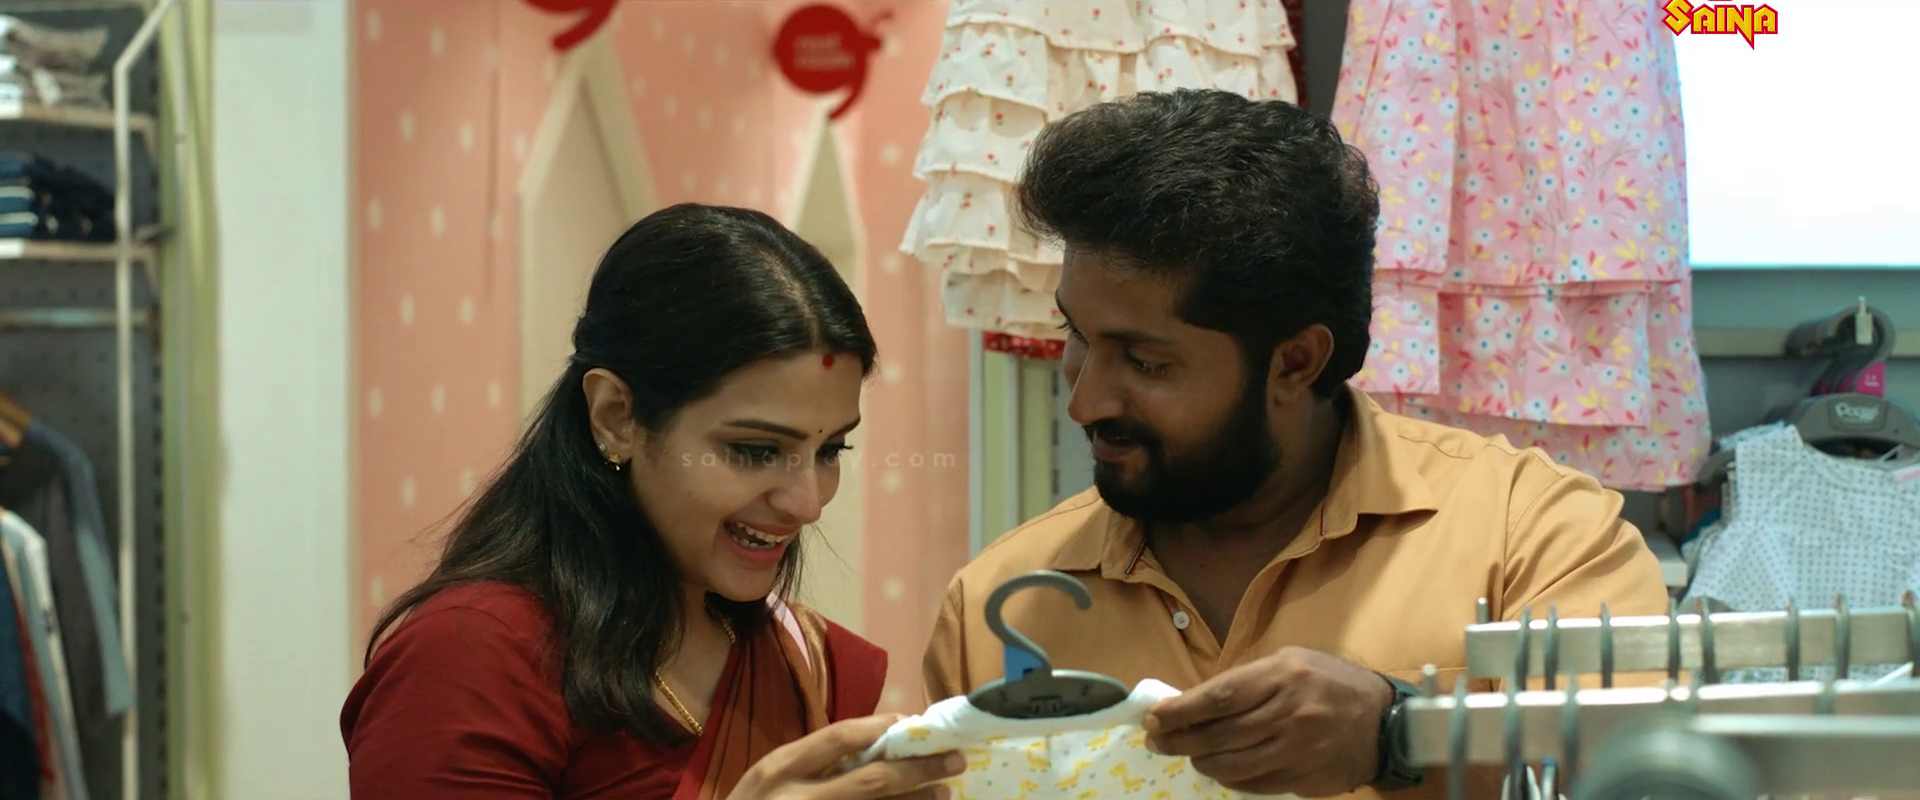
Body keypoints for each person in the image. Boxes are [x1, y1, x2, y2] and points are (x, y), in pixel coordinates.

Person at [921, 90, 1672, 799]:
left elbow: (1648, 775)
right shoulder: (1000, 608)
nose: (1085, 401)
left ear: (1296, 362)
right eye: (1077, 336)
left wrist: (1401, 734)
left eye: (1145, 363)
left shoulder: (1534, 542)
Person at [341, 204, 964, 800]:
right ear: (616, 417)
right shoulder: (474, 655)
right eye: (754, 450)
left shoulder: (802, 661)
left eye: (830, 451)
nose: (807, 503)